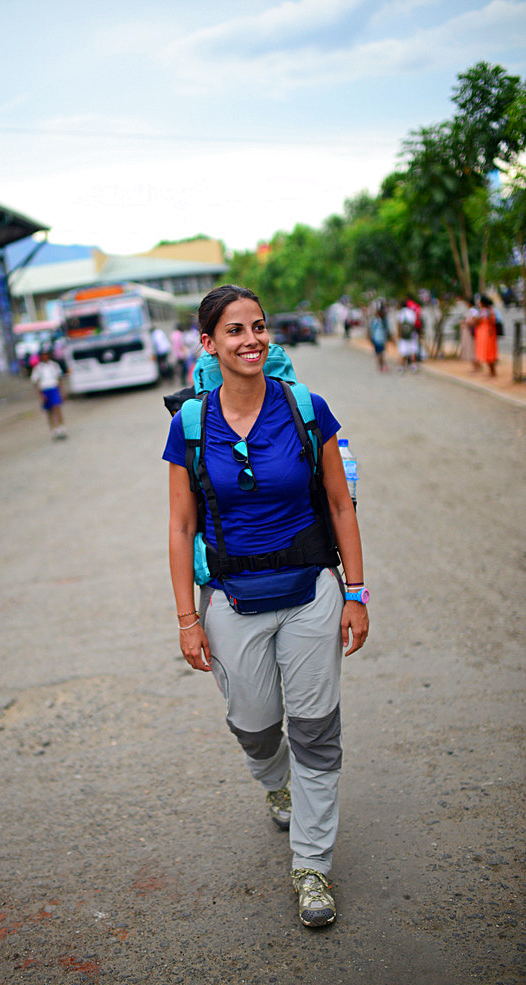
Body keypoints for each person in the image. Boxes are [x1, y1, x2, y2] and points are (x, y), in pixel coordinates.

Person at [163, 285, 369, 929]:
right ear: (208, 344)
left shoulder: (307, 410)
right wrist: (187, 619)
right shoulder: (191, 425)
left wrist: (356, 593)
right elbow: (178, 526)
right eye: (234, 330)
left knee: (315, 731)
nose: (250, 339)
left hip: (310, 592)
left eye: (258, 327)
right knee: (254, 726)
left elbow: (339, 504)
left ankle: (311, 866)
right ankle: (275, 781)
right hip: (230, 597)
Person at [30, 346, 67, 439]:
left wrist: (62, 391)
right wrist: (40, 396)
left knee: (57, 408)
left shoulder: (53, 365)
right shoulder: (38, 368)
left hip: (53, 388)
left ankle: (62, 428)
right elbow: (35, 382)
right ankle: (54, 430)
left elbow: (59, 379)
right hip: (45, 390)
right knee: (49, 411)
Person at [475, 294, 499, 377]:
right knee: (490, 352)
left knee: (488, 352)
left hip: (486, 334)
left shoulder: (484, 311)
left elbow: (478, 320)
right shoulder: (490, 310)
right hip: (489, 333)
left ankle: (492, 372)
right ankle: (492, 372)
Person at [396, 300, 418, 372]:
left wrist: (399, 335)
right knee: (412, 350)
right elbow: (414, 323)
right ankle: (413, 365)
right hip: (412, 334)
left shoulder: (401, 313)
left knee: (403, 350)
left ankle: (402, 366)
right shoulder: (411, 312)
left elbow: (399, 324)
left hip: (404, 335)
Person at [459, 297, 480, 372]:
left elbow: (473, 321)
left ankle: (477, 366)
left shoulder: (473, 311)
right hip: (468, 332)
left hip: (471, 332)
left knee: (472, 348)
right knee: (470, 348)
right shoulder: (471, 311)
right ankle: (475, 366)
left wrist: (465, 323)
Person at [369, 301, 389, 372]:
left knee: (381, 353)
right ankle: (381, 365)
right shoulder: (376, 320)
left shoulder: (383, 320)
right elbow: (372, 329)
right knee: (379, 353)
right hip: (377, 338)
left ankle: (382, 365)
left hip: (381, 338)